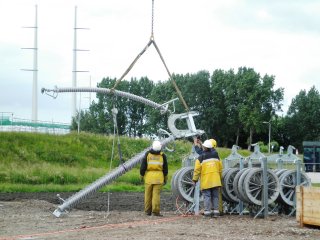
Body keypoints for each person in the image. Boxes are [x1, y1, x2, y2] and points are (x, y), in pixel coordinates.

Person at [192, 139, 223, 218]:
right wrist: (220, 177)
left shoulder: (201, 157)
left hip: (207, 181)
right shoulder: (216, 155)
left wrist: (194, 180)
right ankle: (216, 212)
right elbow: (220, 168)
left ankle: (207, 213)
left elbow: (197, 170)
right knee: (215, 196)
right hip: (216, 180)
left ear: (204, 147)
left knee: (207, 196)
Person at [140, 140, 168, 216]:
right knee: (156, 195)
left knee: (147, 195)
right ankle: (155, 212)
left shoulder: (147, 154)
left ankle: (147, 211)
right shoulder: (162, 155)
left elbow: (143, 167)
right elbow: (165, 169)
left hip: (149, 177)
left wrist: (142, 176)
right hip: (159, 178)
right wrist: (165, 178)